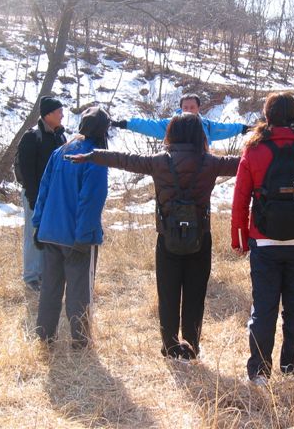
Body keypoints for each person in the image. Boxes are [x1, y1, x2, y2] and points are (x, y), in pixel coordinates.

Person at [69, 113, 239, 361]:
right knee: (195, 295)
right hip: (200, 238)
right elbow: (243, 163)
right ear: (199, 135)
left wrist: (93, 155)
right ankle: (191, 347)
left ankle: (170, 347)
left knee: (168, 294)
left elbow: (124, 159)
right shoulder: (211, 162)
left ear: (172, 133)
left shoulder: (159, 161)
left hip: (167, 237)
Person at [231, 92, 294, 385]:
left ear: (267, 115)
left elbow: (240, 199)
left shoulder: (254, 149)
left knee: (264, 309)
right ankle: (293, 369)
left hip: (264, 242)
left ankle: (260, 373)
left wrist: (239, 239)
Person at [32, 107, 110, 349]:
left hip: (50, 231)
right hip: (76, 236)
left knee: (50, 288)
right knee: (79, 291)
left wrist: (38, 225)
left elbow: (43, 190)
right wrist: (84, 237)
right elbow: (91, 201)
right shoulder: (96, 158)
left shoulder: (60, 151)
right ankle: (80, 341)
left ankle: (45, 337)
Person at [16, 96, 67, 292]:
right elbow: (27, 171)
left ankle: (45, 274)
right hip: (35, 194)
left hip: (54, 196)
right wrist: (33, 198)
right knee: (33, 234)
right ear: (48, 115)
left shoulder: (60, 137)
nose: (62, 115)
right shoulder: (32, 137)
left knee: (49, 235)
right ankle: (31, 276)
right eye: (59, 112)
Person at [110, 93, 249, 145]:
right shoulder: (172, 124)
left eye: (192, 107)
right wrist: (126, 124)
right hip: (175, 170)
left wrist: (242, 128)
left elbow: (225, 129)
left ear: (198, 108)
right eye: (185, 107)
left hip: (200, 171)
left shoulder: (206, 125)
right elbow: (148, 125)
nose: (188, 110)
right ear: (181, 108)